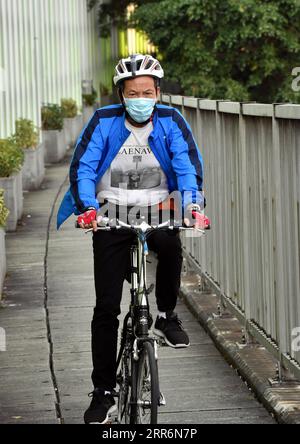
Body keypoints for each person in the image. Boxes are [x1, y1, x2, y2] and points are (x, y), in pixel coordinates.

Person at [57, 54, 210, 424]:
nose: (139, 98)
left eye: (147, 91)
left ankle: (166, 315)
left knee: (171, 243)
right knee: (106, 306)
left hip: (159, 209)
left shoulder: (172, 122)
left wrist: (192, 206)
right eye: (131, 93)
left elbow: (187, 166)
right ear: (121, 96)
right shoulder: (104, 121)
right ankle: (104, 391)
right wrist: (88, 209)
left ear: (158, 93)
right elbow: (84, 167)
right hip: (110, 212)